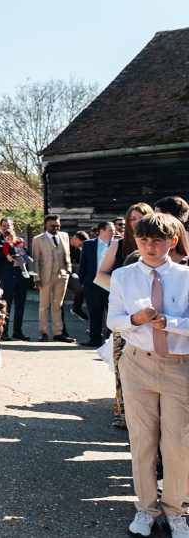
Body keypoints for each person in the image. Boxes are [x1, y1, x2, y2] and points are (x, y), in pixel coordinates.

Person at [106, 213, 189, 538]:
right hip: (137, 362)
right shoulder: (124, 276)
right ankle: (145, 508)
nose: (150, 247)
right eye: (143, 240)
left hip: (178, 366)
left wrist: (170, 323)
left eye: (157, 241)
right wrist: (136, 319)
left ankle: (176, 509)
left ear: (172, 242)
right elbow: (114, 320)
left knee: (178, 444)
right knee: (142, 440)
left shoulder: (185, 276)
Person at [93, 203, 153, 429]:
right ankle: (122, 412)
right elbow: (100, 276)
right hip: (124, 313)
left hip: (151, 312)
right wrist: (123, 289)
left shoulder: (156, 246)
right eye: (132, 219)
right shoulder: (119, 245)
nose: (136, 222)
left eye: (141, 218)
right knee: (122, 364)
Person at [31, 214, 75, 343]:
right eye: (53, 226)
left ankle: (58, 332)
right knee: (44, 305)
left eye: (58, 225)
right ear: (46, 225)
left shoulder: (64, 236)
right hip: (45, 275)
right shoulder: (38, 239)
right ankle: (43, 332)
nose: (56, 228)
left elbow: (68, 254)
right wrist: (36, 277)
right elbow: (36, 260)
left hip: (62, 275)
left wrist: (68, 270)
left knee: (58, 305)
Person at [78, 220, 116, 348]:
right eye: (110, 230)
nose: (113, 232)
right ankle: (95, 339)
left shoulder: (116, 244)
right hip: (93, 284)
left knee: (112, 312)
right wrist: (83, 282)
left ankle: (111, 340)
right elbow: (83, 264)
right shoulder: (89, 245)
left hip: (110, 284)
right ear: (102, 231)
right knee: (94, 313)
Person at [0, 218, 31, 341]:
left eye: (8, 225)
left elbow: (25, 253)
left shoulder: (19, 239)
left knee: (20, 303)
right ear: (0, 227)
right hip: (7, 276)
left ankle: (18, 331)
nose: (6, 227)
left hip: (20, 275)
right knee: (6, 305)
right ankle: (4, 332)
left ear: (12, 226)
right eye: (3, 225)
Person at [68, 231, 90, 320]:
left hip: (69, 273)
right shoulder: (63, 243)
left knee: (81, 288)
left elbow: (80, 264)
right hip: (56, 273)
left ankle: (76, 308)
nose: (80, 246)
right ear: (75, 238)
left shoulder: (78, 250)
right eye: (80, 244)